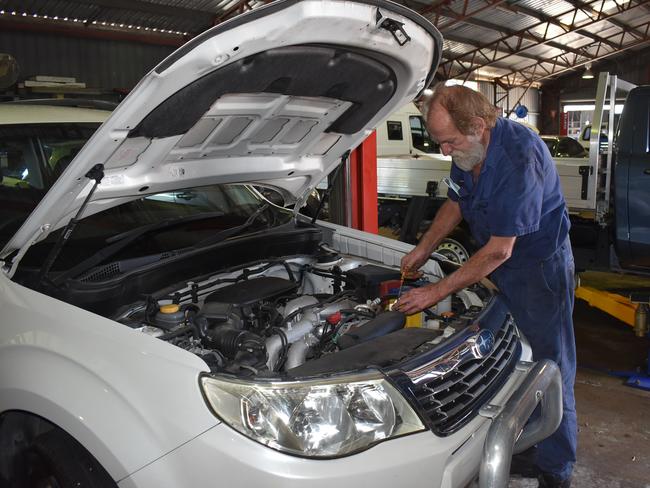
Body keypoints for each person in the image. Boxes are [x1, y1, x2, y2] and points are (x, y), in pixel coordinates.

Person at [395, 85, 577, 488]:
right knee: (517, 358)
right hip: (502, 265)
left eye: (451, 142)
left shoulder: (518, 158)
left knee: (551, 365)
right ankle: (530, 442)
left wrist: (436, 291)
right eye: (441, 142)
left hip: (539, 269)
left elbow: (499, 251)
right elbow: (456, 202)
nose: (446, 152)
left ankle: (556, 467)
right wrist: (424, 248)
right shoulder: (469, 150)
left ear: (478, 125)